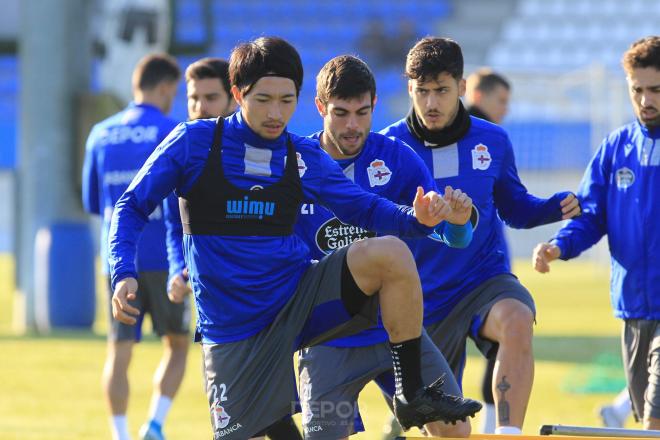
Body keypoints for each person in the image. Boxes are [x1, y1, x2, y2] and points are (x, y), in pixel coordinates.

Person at [108, 36, 482, 440]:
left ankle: (411, 391)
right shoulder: (194, 143)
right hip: (233, 329)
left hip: (298, 301)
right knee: (263, 431)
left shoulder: (299, 156)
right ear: (238, 94)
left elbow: (364, 208)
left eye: (286, 101)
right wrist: (123, 271)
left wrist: (419, 219)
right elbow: (131, 206)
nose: (276, 113)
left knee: (390, 253)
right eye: (264, 100)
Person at [380, 37, 582, 435]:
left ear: (460, 85)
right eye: (422, 91)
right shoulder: (386, 148)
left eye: (441, 90)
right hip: (417, 302)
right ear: (409, 89)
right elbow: (373, 223)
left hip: (480, 281)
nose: (432, 103)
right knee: (452, 432)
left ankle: (508, 433)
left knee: (518, 318)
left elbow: (513, 207)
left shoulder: (493, 140)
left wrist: (553, 207)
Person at [295, 54, 475, 439]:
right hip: (329, 339)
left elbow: (440, 233)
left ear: (375, 104)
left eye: (362, 113)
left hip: (396, 332)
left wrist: (456, 223)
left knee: (456, 431)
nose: (352, 126)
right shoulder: (296, 167)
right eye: (340, 113)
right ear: (320, 107)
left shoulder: (395, 157)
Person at [166, 56, 303, 440]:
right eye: (193, 99)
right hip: (219, 306)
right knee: (261, 418)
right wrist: (180, 268)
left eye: (210, 98)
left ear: (234, 98)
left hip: (269, 307)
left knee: (265, 416)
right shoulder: (187, 151)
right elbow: (173, 225)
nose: (200, 108)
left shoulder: (278, 153)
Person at [532, 35, 660, 430]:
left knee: (655, 420)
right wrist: (558, 245)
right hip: (633, 306)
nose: (645, 100)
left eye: (655, 89)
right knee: (647, 419)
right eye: (636, 89)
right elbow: (591, 217)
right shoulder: (615, 148)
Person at [82, 53, 189, 440]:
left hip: (118, 259)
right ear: (164, 88)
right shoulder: (173, 131)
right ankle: (155, 425)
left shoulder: (101, 133)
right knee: (177, 345)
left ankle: (120, 434)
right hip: (164, 255)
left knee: (118, 351)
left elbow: (93, 202)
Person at [464, 67, 512, 434]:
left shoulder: (490, 139)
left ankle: (495, 426)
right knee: (502, 345)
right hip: (472, 271)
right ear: (478, 96)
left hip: (478, 265)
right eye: (501, 101)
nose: (505, 110)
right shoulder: (479, 139)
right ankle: (496, 427)